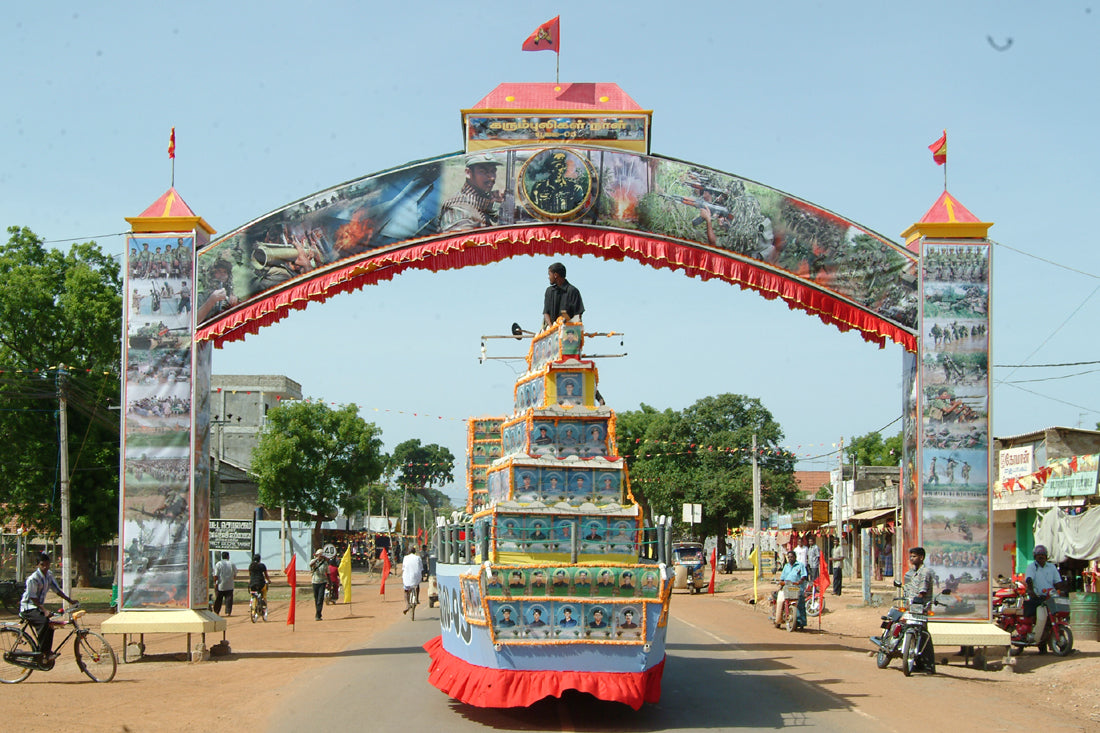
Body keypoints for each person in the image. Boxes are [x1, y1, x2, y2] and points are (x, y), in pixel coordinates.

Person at [19, 552, 76, 660]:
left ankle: (46, 652)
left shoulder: (49, 575)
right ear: (37, 565)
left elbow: (57, 590)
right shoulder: (33, 579)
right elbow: (32, 597)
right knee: (44, 622)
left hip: (37, 607)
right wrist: (44, 610)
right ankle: (41, 653)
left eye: (47, 564)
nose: (45, 567)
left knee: (50, 625)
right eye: (42, 565)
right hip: (28, 608)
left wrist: (70, 600)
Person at [438, 153, 504, 231]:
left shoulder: (482, 199)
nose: (492, 178)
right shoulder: (457, 209)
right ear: (468, 173)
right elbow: (461, 241)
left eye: (493, 171)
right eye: (483, 172)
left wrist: (500, 203)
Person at [1024, 545, 1064, 648]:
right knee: (1041, 619)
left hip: (1050, 597)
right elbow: (1029, 579)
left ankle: (1054, 642)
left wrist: (1063, 589)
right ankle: (1039, 643)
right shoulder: (1032, 567)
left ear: (1046, 557)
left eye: (1043, 555)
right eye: (1038, 555)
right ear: (1035, 557)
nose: (1041, 557)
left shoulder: (1051, 567)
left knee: (1054, 618)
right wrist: (1031, 590)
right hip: (1037, 597)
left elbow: (1058, 582)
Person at [542, 262, 584, 326]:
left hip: (569, 332)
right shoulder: (549, 291)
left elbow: (578, 315)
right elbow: (546, 313)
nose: (549, 277)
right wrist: (551, 328)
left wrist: (566, 326)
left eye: (549, 274)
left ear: (555, 275)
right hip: (551, 332)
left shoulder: (573, 291)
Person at [774, 550, 807, 627]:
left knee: (800, 604)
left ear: (795, 557)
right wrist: (781, 585)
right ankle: (778, 618)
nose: (790, 558)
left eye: (792, 557)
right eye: (789, 557)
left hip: (797, 588)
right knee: (780, 601)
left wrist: (800, 581)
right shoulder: (786, 566)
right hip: (787, 588)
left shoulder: (800, 565)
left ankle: (801, 622)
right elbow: (782, 578)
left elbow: (804, 576)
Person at [213, 551, 237, 616]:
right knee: (229, 599)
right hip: (230, 585)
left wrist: (215, 582)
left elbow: (216, 575)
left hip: (221, 584)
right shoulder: (232, 564)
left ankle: (216, 611)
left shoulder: (219, 564)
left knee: (218, 599)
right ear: (228, 556)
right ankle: (228, 612)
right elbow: (235, 574)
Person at [401, 547, 424, 614]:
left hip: (407, 577)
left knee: (406, 591)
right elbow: (421, 568)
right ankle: (417, 599)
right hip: (416, 577)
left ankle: (407, 604)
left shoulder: (405, 558)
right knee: (417, 585)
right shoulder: (418, 558)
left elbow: (403, 568)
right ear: (414, 552)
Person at [309, 549, 328, 620]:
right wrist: (317, 559)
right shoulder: (313, 561)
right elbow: (310, 565)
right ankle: (318, 612)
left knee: (320, 599)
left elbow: (328, 573)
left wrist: (329, 582)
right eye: (320, 555)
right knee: (316, 599)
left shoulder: (325, 563)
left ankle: (318, 614)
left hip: (322, 582)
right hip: (315, 582)